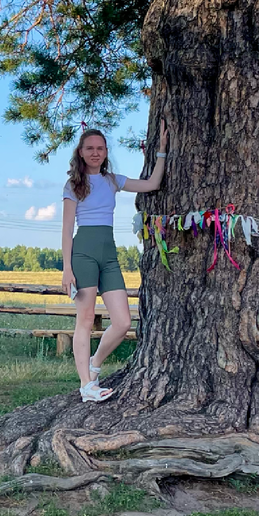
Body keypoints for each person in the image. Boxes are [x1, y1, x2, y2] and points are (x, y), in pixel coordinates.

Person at [61, 119, 168, 403]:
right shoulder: (73, 185)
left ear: (106, 151)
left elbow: (152, 184)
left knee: (122, 322)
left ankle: (94, 364)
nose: (95, 153)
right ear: (81, 152)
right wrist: (67, 269)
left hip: (109, 255)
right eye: (90, 148)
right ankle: (86, 385)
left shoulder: (112, 181)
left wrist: (161, 151)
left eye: (100, 148)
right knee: (85, 319)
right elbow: (67, 230)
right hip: (83, 254)